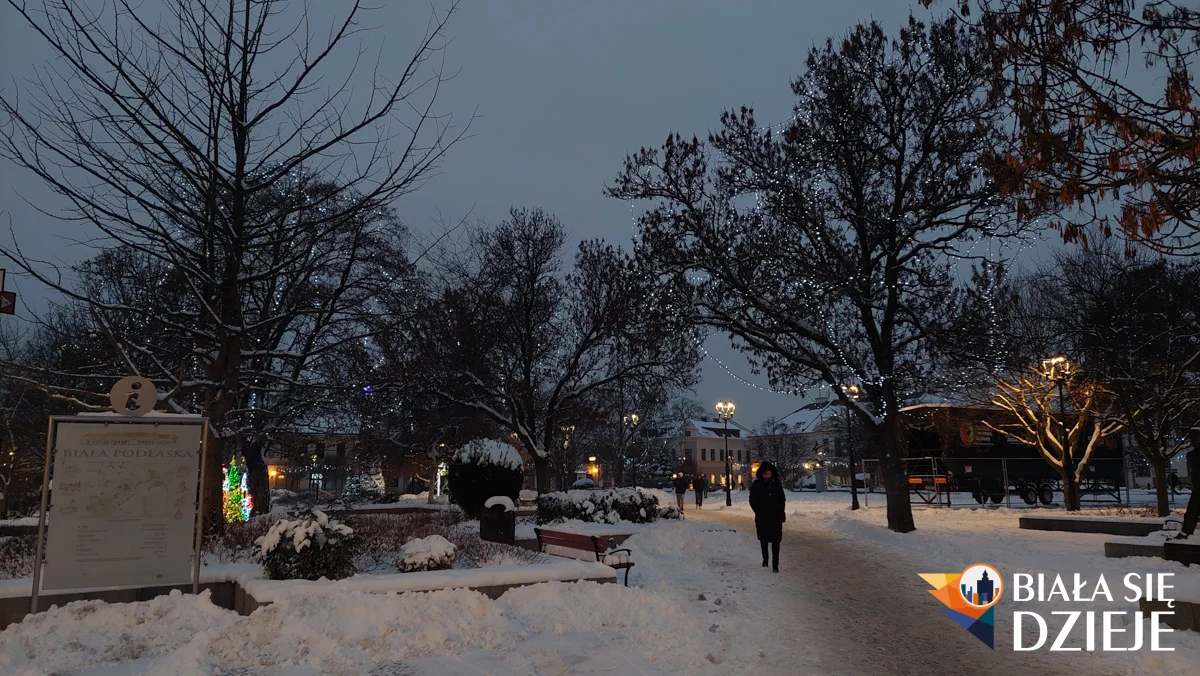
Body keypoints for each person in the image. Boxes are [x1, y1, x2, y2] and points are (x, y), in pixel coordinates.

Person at [749, 461, 786, 572]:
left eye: (769, 474)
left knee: (776, 541)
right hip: (762, 516)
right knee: (764, 540)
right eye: (765, 474)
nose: (767, 476)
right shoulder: (757, 484)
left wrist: (780, 511)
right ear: (761, 474)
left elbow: (782, 499)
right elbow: (752, 500)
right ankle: (765, 559)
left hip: (776, 516)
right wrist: (758, 511)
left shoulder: (776, 484)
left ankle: (775, 564)